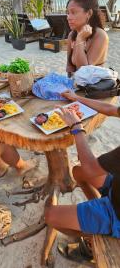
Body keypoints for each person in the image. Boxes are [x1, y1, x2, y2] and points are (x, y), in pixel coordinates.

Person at [45, 90, 120, 262]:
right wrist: (77, 98)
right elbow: (110, 109)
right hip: (116, 188)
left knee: (50, 216)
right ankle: (97, 208)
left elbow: (91, 168)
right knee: (77, 173)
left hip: (117, 214)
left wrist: (77, 128)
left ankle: (89, 244)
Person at [66, 0, 109, 78]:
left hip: (93, 87)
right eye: (68, 13)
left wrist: (80, 39)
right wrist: (69, 83)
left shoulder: (100, 36)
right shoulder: (72, 35)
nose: (68, 17)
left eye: (73, 12)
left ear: (89, 13)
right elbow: (69, 66)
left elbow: (84, 71)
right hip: (76, 85)